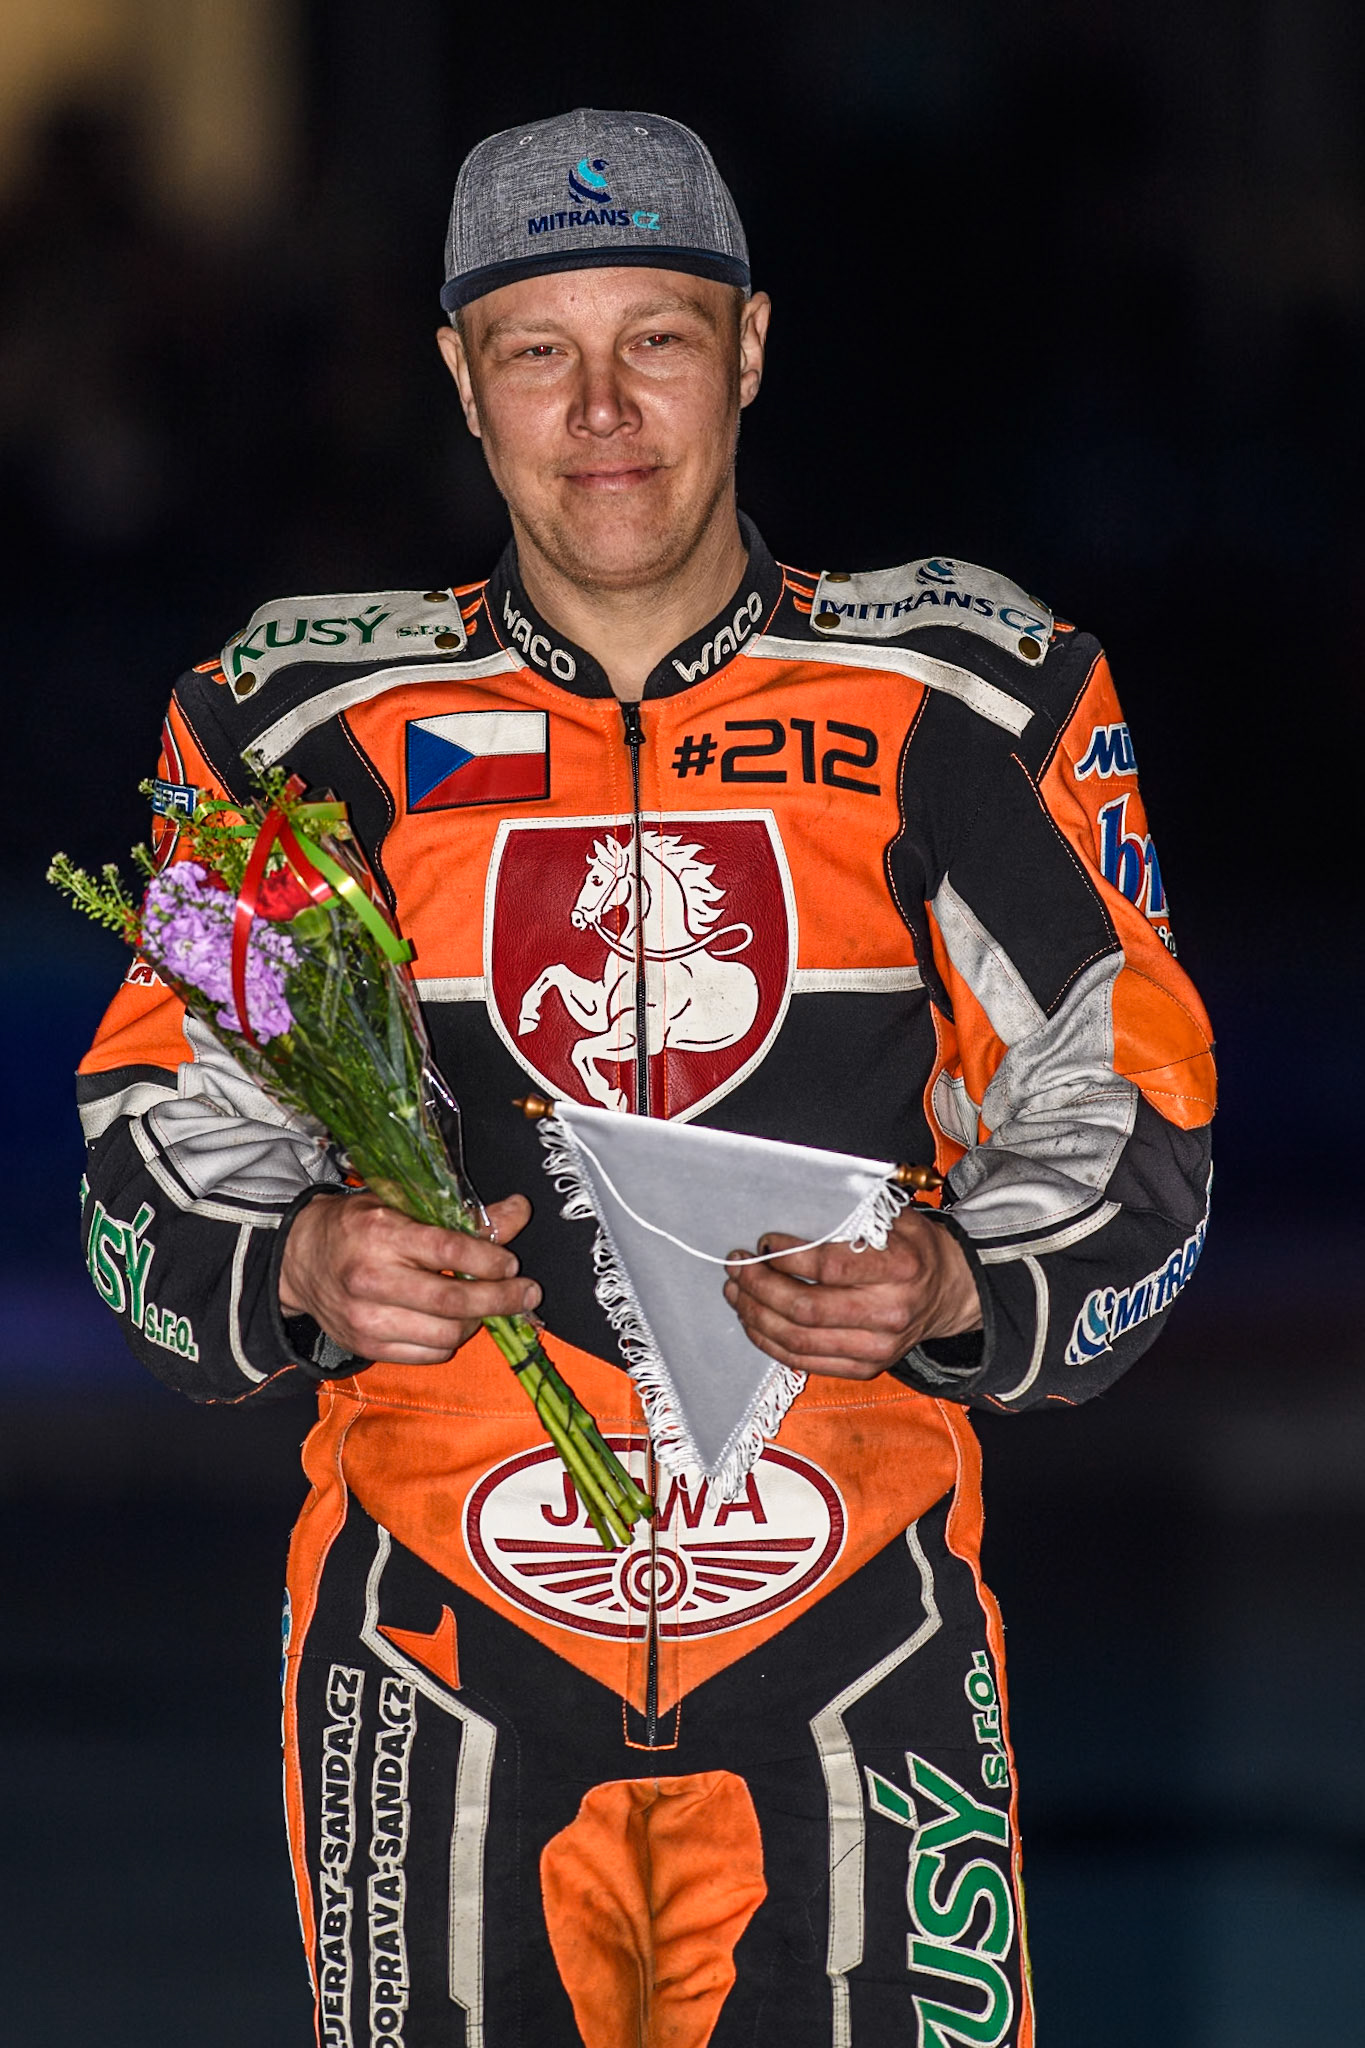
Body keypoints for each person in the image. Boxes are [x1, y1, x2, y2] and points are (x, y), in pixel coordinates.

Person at [76, 107, 1215, 2048]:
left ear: (749, 350)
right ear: (457, 378)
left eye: (657, 341)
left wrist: (959, 1281)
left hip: (851, 1632)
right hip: (437, 1639)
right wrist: (296, 1261)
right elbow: (144, 1153)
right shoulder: (287, 722)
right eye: (538, 349)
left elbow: (1127, 1108)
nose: (601, 410)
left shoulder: (970, 690)